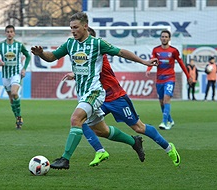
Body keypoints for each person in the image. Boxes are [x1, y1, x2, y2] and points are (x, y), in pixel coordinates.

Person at [31, 12, 158, 170]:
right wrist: (41, 53)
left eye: (76, 27)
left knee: (75, 120)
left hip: (95, 92)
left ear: (85, 26)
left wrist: (145, 62)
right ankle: (134, 142)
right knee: (103, 131)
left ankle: (65, 159)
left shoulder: (97, 43)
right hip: (83, 94)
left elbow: (121, 52)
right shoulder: (70, 44)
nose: (73, 31)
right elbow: (52, 57)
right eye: (71, 28)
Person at [63, 27, 181, 167]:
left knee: (139, 127)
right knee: (82, 121)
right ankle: (100, 151)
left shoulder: (99, 54)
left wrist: (144, 62)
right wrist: (75, 74)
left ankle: (169, 148)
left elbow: (115, 57)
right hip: (98, 98)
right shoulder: (86, 56)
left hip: (115, 97)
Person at [146, 30, 193, 130]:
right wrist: (148, 69)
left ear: (169, 38)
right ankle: (170, 120)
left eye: (166, 37)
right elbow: (152, 61)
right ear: (160, 38)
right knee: (162, 102)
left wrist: (188, 76)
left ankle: (164, 122)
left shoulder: (173, 51)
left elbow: (181, 63)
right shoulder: (156, 50)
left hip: (170, 78)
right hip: (159, 80)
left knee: (167, 98)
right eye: (162, 36)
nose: (164, 38)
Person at [0, 25, 31, 129]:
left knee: (14, 93)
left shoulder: (19, 45)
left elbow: (28, 56)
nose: (9, 33)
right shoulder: (0, 46)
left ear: (14, 33)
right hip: (5, 75)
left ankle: (19, 117)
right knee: (11, 99)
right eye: (8, 32)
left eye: (11, 31)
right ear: (5, 33)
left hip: (16, 73)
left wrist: (24, 68)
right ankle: (18, 117)